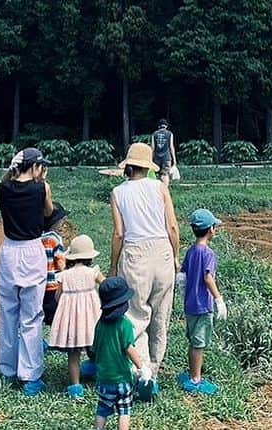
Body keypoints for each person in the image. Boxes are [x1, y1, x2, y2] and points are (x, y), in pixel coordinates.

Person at [109, 143, 180, 397]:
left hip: (134, 253)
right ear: (148, 167)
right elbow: (172, 226)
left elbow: (119, 234)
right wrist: (175, 255)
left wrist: (113, 265)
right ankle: (154, 372)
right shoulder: (160, 187)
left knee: (136, 316)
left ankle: (141, 373)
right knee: (161, 317)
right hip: (162, 251)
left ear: (127, 166)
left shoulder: (118, 193)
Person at [0, 147, 53, 397]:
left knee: (8, 313)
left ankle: (7, 369)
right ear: (36, 166)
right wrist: (42, 181)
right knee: (31, 315)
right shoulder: (41, 189)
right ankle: (30, 375)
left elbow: (6, 180)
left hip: (9, 251)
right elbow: (49, 211)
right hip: (32, 250)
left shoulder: (3, 189)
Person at [177, 208, 227, 395]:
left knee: (193, 341)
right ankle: (195, 379)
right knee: (199, 344)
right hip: (202, 307)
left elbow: (182, 275)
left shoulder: (191, 251)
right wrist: (219, 299)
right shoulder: (208, 254)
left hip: (189, 305)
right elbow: (208, 278)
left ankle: (191, 373)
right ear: (211, 229)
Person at [50, 234, 105, 399]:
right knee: (96, 348)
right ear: (90, 256)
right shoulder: (93, 272)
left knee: (73, 354)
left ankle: (75, 386)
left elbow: (57, 297)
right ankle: (101, 378)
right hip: (92, 318)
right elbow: (107, 285)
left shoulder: (64, 276)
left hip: (72, 321)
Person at [93, 276, 152, 430]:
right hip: (122, 380)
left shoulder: (100, 324)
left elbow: (94, 348)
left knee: (102, 410)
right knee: (124, 412)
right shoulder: (124, 324)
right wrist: (142, 368)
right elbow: (129, 349)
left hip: (103, 379)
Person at [41, 203, 69, 326]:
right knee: (56, 320)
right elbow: (61, 263)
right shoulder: (55, 239)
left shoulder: (39, 238)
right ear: (56, 222)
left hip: (40, 285)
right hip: (53, 285)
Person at [151, 119, 177, 185]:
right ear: (166, 126)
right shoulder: (169, 134)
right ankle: (165, 190)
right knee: (165, 174)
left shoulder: (154, 134)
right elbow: (171, 147)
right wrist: (174, 159)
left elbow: (153, 148)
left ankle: (157, 190)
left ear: (159, 126)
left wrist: (151, 159)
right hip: (166, 158)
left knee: (157, 175)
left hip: (157, 158)